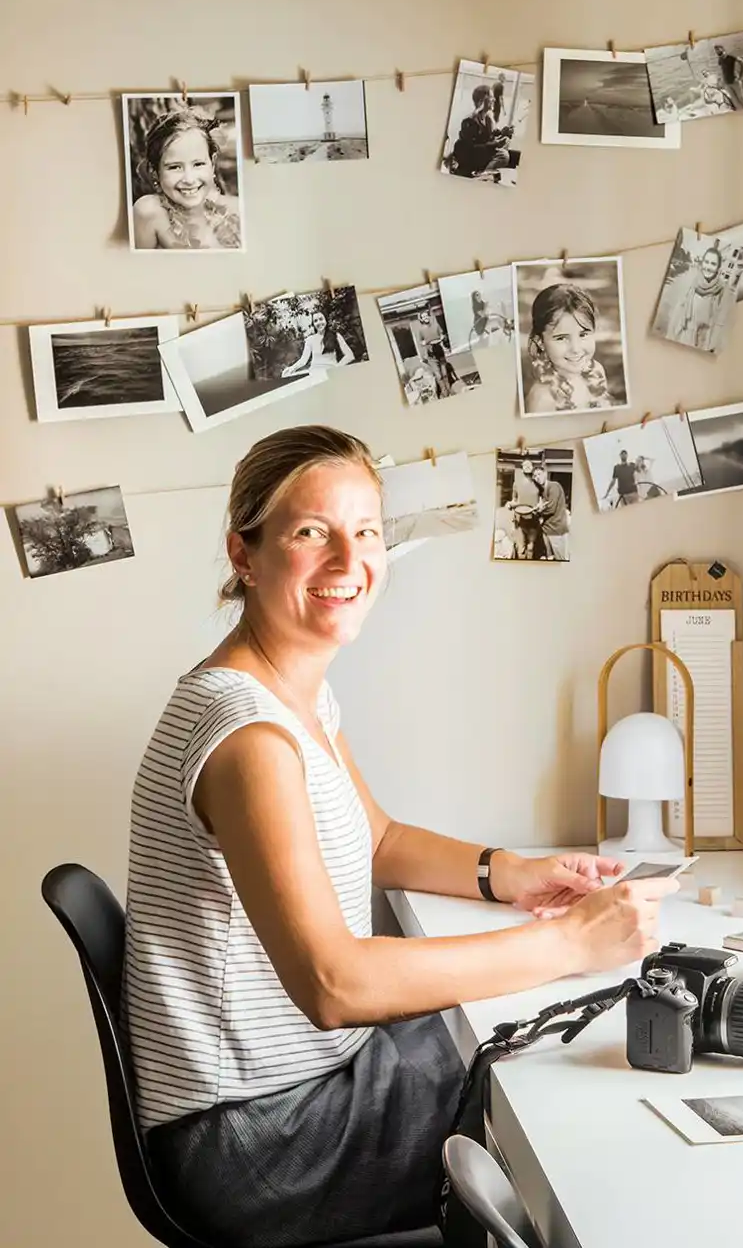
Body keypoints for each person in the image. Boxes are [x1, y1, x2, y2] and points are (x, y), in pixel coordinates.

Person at [123, 426, 678, 1246]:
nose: (350, 561)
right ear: (245, 553)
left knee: (545, 1028)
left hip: (295, 1094)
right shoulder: (247, 735)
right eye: (312, 531)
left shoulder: (290, 694)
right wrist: (570, 942)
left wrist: (513, 874)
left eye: (368, 531)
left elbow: (373, 838)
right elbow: (333, 983)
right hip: (256, 1137)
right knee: (575, 1085)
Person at [132, 107, 241, 249]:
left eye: (198, 164)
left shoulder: (237, 210)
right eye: (175, 167)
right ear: (155, 172)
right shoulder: (150, 212)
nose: (189, 179)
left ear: (212, 164)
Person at [525, 283, 612, 413]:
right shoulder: (542, 398)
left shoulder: (595, 373)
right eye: (561, 338)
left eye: (583, 334)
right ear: (540, 342)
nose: (575, 349)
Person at [669, 244, 731, 352]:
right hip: (685, 337)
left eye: (713, 264)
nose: (708, 267)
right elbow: (679, 311)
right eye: (706, 262)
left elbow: (720, 323)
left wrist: (711, 347)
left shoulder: (722, 290)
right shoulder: (692, 283)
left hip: (704, 343)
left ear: (718, 268)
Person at [449, 84, 513, 180]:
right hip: (470, 156)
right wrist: (496, 143)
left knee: (506, 145)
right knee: (504, 155)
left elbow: (488, 136)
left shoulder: (487, 117)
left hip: (481, 152)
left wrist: (502, 133)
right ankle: (481, 175)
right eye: (491, 97)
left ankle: (484, 172)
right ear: (483, 100)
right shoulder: (470, 121)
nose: (494, 100)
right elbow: (471, 148)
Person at [281, 310, 356, 377]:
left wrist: (336, 367)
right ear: (313, 324)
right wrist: (291, 368)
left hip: (331, 373)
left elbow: (350, 356)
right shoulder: (310, 339)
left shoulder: (336, 336)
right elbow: (303, 360)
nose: (319, 323)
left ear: (326, 320)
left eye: (321, 319)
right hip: (314, 373)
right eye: (315, 321)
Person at [531, 463, 570, 561]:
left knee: (560, 559)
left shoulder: (554, 486)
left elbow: (551, 508)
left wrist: (538, 511)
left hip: (556, 530)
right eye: (535, 476)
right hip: (547, 529)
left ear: (545, 473)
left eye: (539, 474)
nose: (537, 477)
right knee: (550, 558)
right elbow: (544, 507)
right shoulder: (542, 491)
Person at [713, 43, 743, 111]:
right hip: (727, 83)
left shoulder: (730, 57)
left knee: (740, 98)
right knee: (734, 100)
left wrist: (740, 76)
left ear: (722, 49)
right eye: (716, 50)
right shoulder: (720, 59)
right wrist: (721, 81)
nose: (717, 51)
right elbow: (722, 70)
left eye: (718, 49)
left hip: (735, 81)